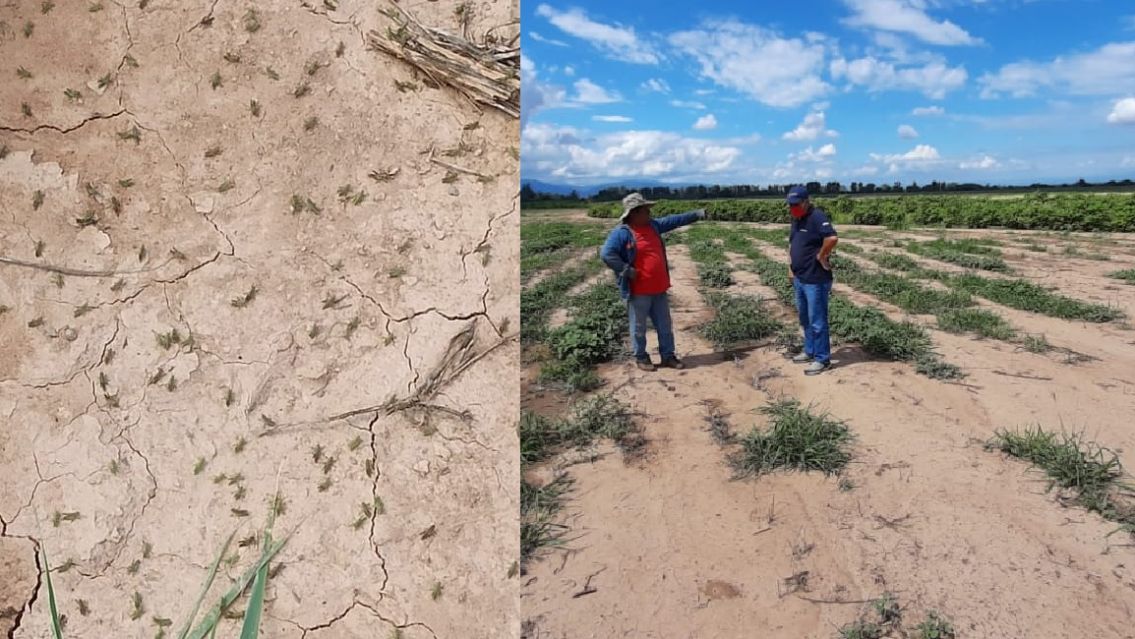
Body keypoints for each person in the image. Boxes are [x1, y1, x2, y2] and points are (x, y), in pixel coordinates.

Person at [600, 193, 706, 371]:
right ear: (634, 213)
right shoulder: (622, 233)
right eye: (646, 210)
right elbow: (606, 254)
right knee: (639, 327)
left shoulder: (654, 226)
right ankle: (641, 357)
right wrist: (627, 270)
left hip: (659, 288)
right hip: (639, 291)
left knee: (665, 325)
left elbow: (674, 220)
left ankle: (668, 356)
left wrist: (697, 213)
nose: (650, 213)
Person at [786, 185, 839, 375]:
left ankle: (822, 359)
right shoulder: (796, 219)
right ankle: (809, 351)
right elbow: (792, 244)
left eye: (796, 204)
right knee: (805, 318)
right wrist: (790, 268)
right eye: (790, 205)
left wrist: (822, 256)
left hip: (816, 279)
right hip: (800, 278)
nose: (793, 208)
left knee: (817, 320)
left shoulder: (817, 217)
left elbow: (832, 238)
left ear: (806, 201)